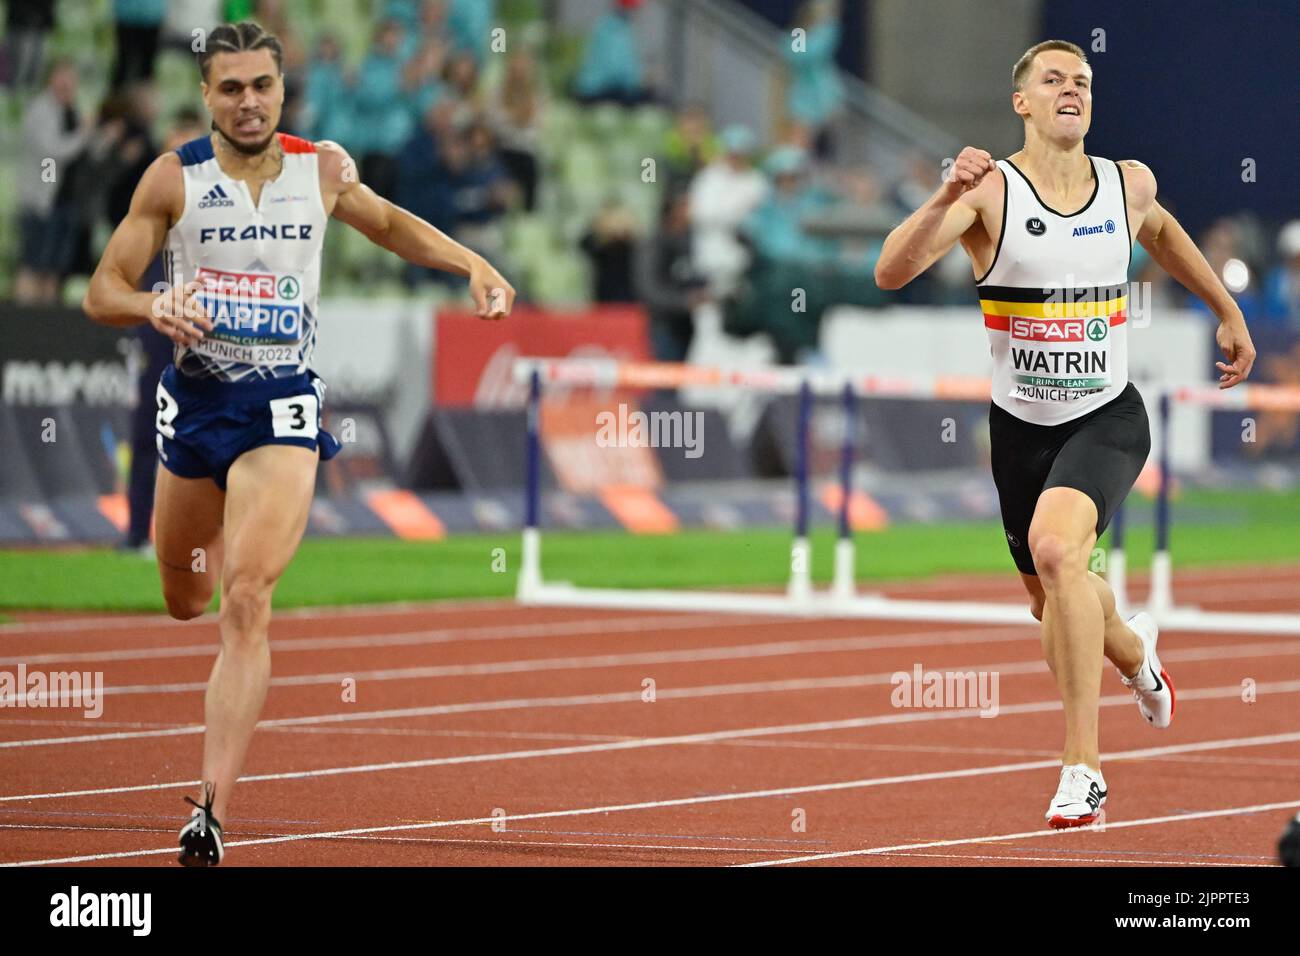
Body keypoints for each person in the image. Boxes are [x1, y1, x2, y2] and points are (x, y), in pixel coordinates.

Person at [82, 20, 514, 866]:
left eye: (263, 87)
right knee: (186, 597)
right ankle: (193, 594)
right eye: (232, 88)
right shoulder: (172, 179)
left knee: (247, 596)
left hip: (281, 401)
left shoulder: (322, 169)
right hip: (196, 404)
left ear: (283, 90)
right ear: (206, 94)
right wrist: (151, 307)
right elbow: (104, 288)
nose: (249, 102)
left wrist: (473, 264)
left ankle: (208, 810)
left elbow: (388, 223)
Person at [874, 40, 1255, 828]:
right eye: (1052, 80)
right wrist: (944, 191)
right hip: (1019, 431)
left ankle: (1082, 766)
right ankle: (1136, 655)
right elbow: (891, 271)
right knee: (1057, 601)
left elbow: (1162, 234)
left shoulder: (1128, 182)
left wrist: (1227, 309)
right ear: (1023, 102)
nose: (1070, 90)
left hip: (1107, 417)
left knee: (1057, 553)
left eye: (1082, 81)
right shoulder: (991, 196)